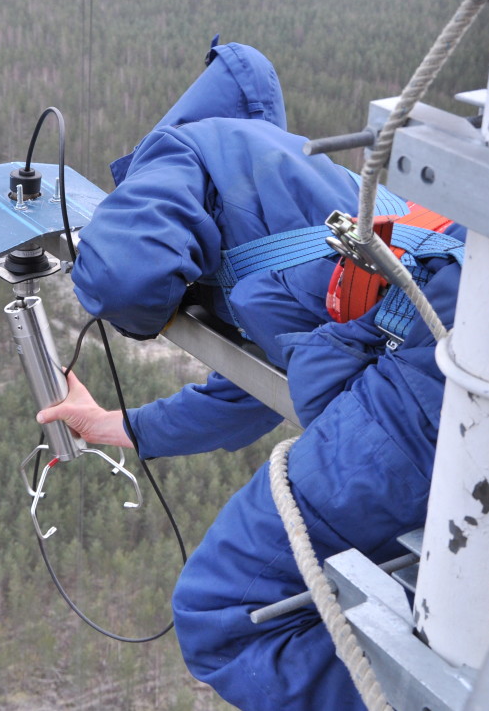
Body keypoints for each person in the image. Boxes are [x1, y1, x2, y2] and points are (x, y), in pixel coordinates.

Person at [37, 40, 464, 710]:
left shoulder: (183, 148)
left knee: (224, 617)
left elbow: (127, 275)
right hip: (450, 340)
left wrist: (99, 252)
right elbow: (252, 392)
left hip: (424, 374)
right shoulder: (273, 181)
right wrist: (118, 425)